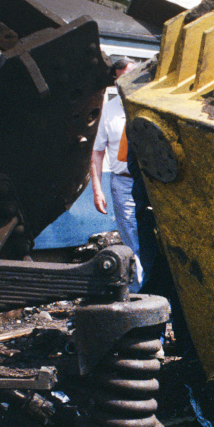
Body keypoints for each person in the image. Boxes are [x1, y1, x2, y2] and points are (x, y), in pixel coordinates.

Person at [90, 57, 144, 290]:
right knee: (132, 236)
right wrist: (97, 189)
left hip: (150, 183)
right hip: (123, 183)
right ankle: (141, 289)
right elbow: (97, 152)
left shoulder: (146, 107)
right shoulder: (108, 111)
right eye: (123, 79)